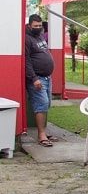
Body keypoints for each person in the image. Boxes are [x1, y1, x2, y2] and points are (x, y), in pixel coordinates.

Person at [25, 14, 55, 148]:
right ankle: (41, 135)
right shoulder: (27, 39)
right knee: (41, 104)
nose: (38, 28)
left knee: (46, 104)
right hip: (37, 78)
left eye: (40, 26)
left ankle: (44, 131)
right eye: (35, 26)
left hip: (47, 77)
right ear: (29, 26)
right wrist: (34, 78)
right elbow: (26, 60)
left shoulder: (40, 36)